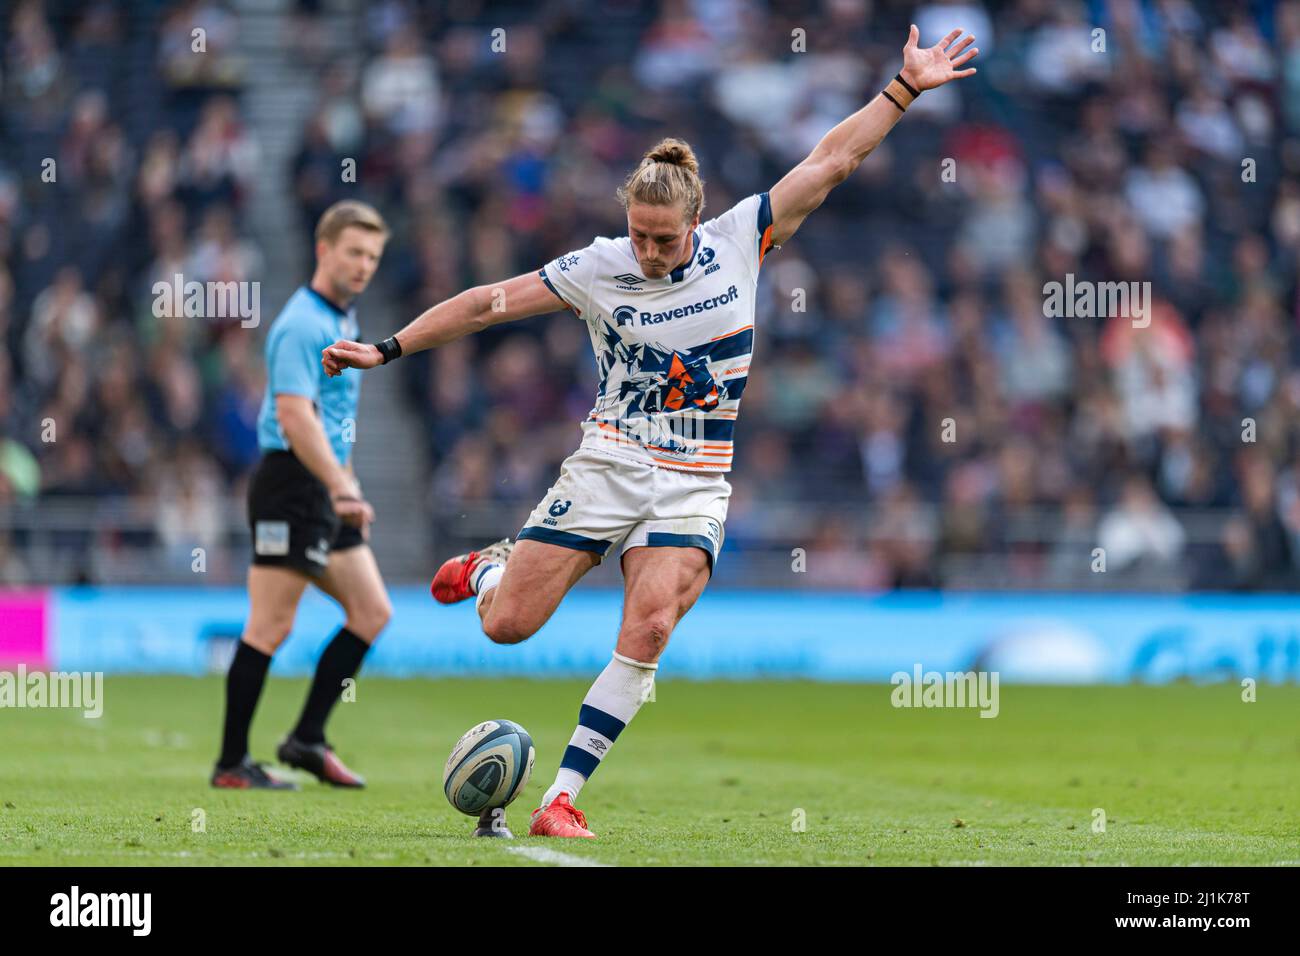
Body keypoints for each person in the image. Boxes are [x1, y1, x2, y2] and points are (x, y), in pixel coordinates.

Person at [322, 27, 979, 834]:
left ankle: (561, 798)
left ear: (697, 219)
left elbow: (831, 161)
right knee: (508, 627)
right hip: (610, 463)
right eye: (637, 232)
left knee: (653, 624)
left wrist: (903, 91)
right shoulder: (599, 266)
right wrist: (389, 348)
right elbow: (488, 302)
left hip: (696, 477)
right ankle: (492, 568)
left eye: (662, 238)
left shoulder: (744, 239)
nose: (648, 249)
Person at [212, 200, 393, 790]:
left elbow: (332, 415)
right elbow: (294, 416)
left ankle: (306, 740)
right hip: (291, 485)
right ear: (323, 250)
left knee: (371, 611)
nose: (363, 265)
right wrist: (340, 485)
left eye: (372, 255)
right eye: (353, 252)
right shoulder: (301, 323)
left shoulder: (345, 320)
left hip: (326, 486)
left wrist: (345, 481)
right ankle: (231, 764)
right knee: (270, 624)